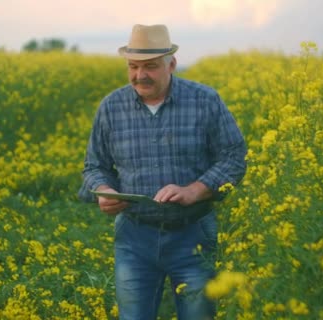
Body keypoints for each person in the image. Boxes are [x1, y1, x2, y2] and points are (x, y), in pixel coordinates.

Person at [78, 24, 247, 320]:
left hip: (193, 232)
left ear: (171, 64)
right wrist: (104, 191)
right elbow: (95, 166)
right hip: (133, 236)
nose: (140, 75)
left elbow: (235, 157)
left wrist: (196, 189)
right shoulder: (111, 107)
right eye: (133, 66)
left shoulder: (204, 101)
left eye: (150, 67)